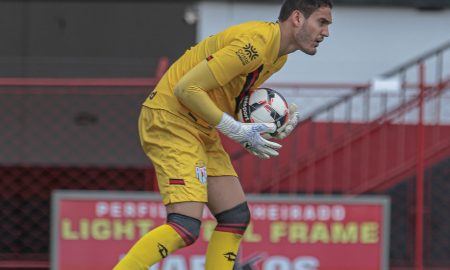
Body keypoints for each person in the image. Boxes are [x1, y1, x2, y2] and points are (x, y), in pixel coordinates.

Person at [114, 0, 332, 269]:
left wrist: (269, 124)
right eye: (321, 22)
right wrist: (237, 130)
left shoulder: (278, 57)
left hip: (201, 126)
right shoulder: (254, 45)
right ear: (297, 18)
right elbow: (188, 89)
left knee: (235, 217)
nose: (326, 32)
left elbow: (228, 93)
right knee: (185, 226)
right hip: (170, 120)